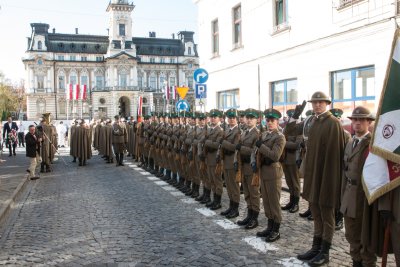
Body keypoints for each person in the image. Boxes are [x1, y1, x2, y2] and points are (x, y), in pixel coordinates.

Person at [286, 91, 345, 266]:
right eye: (315, 102)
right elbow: (288, 130)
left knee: (327, 215)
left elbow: (335, 156)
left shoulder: (333, 123)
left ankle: (324, 251)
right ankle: (315, 247)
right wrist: (295, 116)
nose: (317, 105)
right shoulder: (312, 121)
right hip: (312, 173)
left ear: (327, 103)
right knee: (316, 212)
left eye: (321, 102)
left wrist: (331, 181)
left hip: (326, 176)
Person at [340, 106, 376, 267]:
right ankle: (356, 262)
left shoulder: (372, 145)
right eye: (354, 119)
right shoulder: (350, 142)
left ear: (369, 122)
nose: (357, 123)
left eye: (361, 120)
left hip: (364, 198)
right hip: (349, 196)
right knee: (351, 236)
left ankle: (368, 263)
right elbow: (345, 171)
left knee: (365, 239)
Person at [254, 108, 286, 242]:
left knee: (273, 202)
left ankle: (276, 230)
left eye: (272, 120)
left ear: (277, 121)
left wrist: (261, 146)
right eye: (268, 120)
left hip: (273, 172)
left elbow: (275, 155)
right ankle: (269, 226)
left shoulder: (280, 137)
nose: (270, 123)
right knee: (266, 201)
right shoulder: (265, 134)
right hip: (264, 171)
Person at [236, 108, 260, 229]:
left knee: (253, 193)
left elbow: (255, 152)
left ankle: (254, 218)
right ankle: (249, 215)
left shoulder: (257, 133)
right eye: (248, 118)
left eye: (252, 118)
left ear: (257, 120)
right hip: (244, 166)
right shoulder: (245, 132)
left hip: (252, 166)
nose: (249, 120)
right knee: (246, 192)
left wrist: (241, 148)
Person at [220, 108, 241, 218]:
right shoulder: (227, 130)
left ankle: (235, 209)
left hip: (233, 161)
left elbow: (235, 147)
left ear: (237, 119)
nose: (231, 120)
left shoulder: (238, 131)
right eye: (230, 118)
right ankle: (231, 206)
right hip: (226, 161)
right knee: (228, 186)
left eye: (233, 118)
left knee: (234, 186)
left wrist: (224, 143)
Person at [281, 109, 302, 213]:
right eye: (289, 117)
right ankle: (291, 201)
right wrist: (287, 141)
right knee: (289, 182)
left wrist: (284, 142)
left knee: (295, 183)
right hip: (285, 159)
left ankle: (296, 203)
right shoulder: (285, 129)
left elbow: (296, 145)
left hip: (294, 160)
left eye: (291, 117)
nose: (289, 118)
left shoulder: (299, 129)